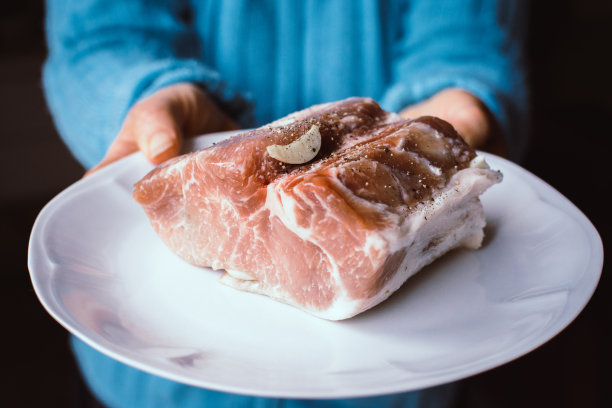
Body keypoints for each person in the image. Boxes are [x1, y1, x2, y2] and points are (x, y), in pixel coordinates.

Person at [43, 1, 528, 407]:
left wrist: (462, 96)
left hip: (399, 380)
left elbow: (463, 34)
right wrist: (149, 91)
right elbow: (99, 33)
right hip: (159, 374)